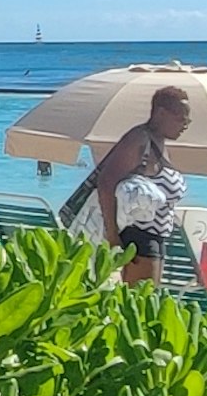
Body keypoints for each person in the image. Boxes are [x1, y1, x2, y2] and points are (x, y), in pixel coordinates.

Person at [63, 83, 196, 287]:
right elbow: (106, 183)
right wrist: (113, 235)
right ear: (161, 113)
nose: (186, 124)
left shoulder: (157, 142)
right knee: (140, 303)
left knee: (145, 300)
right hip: (140, 236)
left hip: (153, 237)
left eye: (188, 119)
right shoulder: (139, 140)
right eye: (180, 118)